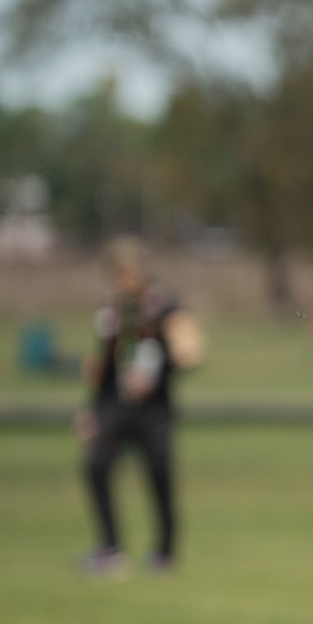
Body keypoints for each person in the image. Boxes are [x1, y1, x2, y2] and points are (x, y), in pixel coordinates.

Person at [76, 237, 205, 576]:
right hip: (117, 407)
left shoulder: (165, 307)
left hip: (155, 409)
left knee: (159, 475)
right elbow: (104, 366)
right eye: (118, 272)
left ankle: (164, 552)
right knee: (96, 465)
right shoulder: (113, 312)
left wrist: (168, 366)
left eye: (129, 271)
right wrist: (91, 410)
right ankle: (111, 548)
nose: (124, 279)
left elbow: (189, 355)